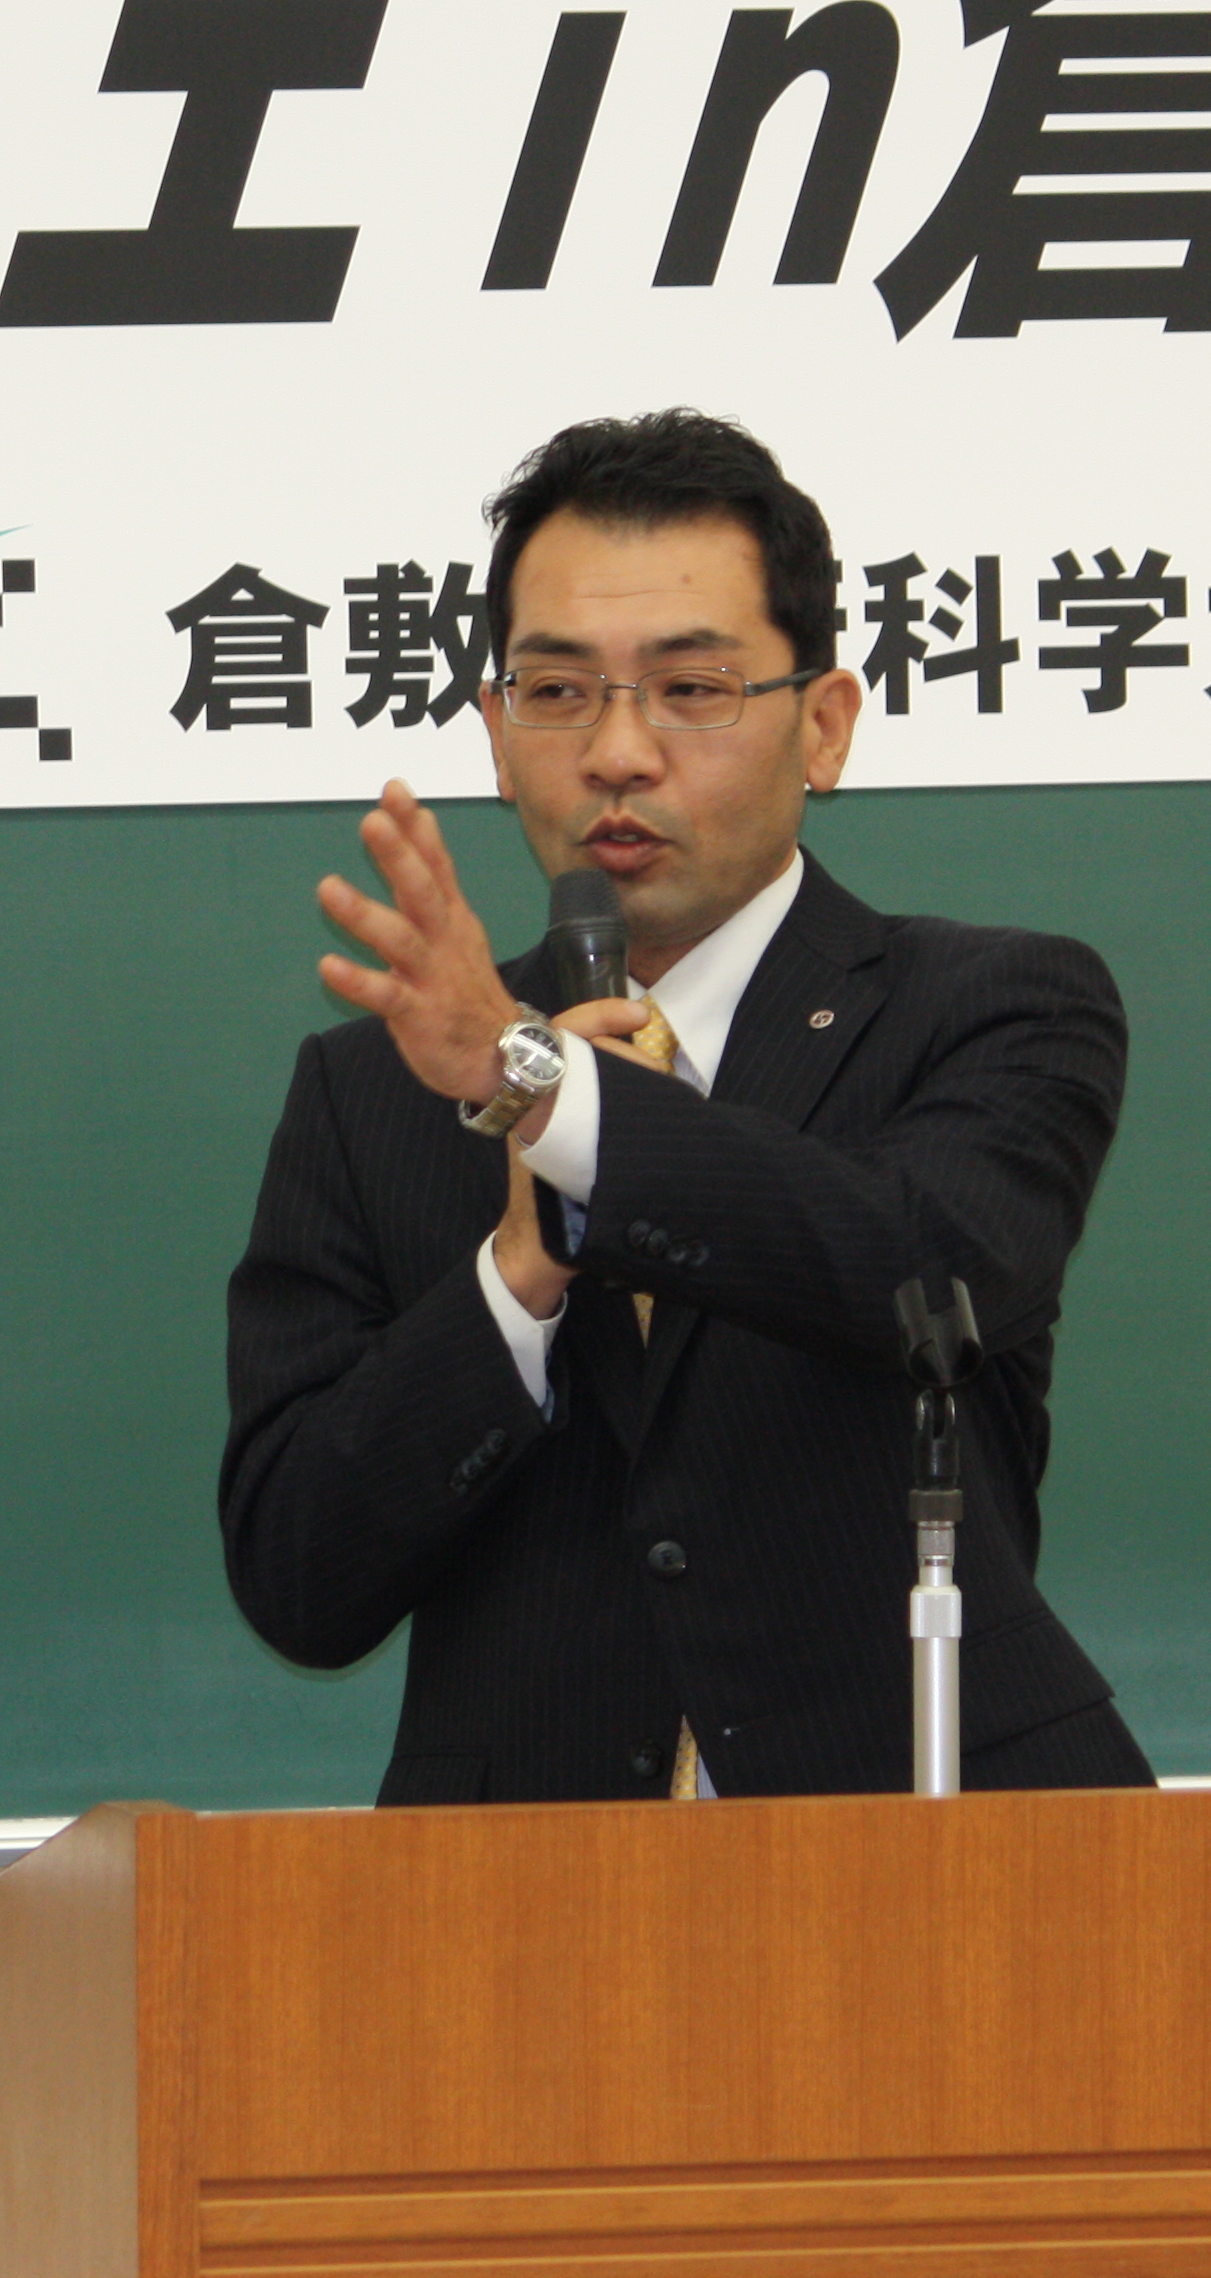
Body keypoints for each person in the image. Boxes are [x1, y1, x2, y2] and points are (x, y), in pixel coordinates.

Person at [218, 409, 1154, 1803]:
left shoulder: (995, 1005)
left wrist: (551, 1099)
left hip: (939, 1848)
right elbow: (301, 1575)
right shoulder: (374, 1090)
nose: (617, 753)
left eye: (692, 689)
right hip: (521, 1887)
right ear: (497, 735)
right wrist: (515, 1275)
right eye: (557, 691)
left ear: (822, 727)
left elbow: (924, 1264)